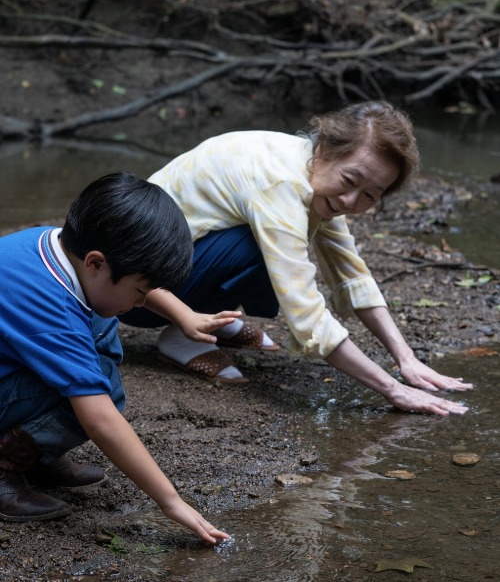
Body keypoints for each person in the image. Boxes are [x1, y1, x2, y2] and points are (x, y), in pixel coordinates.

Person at [121, 101, 473, 416]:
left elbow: (350, 274)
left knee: (273, 241)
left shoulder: (310, 172)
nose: (352, 201)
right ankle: (183, 335)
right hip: (135, 293)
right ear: (323, 149)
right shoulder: (282, 185)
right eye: (350, 180)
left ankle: (213, 314)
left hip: (169, 267)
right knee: (263, 248)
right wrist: (393, 389)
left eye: (370, 194)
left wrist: (406, 358)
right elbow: (305, 312)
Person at [0, 171, 234, 544]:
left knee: (100, 324)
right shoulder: (51, 309)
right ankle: (6, 461)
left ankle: (35, 453)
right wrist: (170, 501)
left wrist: (184, 316)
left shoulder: (55, 246)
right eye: (139, 292)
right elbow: (101, 420)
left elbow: (132, 279)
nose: (142, 302)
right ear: (95, 263)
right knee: (103, 389)